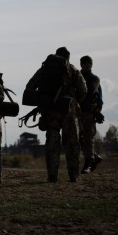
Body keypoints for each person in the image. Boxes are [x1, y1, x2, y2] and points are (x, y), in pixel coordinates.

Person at [26, 46, 86, 182]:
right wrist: (74, 101)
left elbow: (30, 86)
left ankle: (52, 176)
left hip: (50, 112)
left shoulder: (45, 69)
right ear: (68, 58)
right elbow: (83, 90)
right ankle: (74, 176)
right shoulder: (73, 70)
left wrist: (44, 100)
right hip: (69, 112)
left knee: (52, 143)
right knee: (72, 143)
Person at [78, 55, 103, 174]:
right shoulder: (76, 77)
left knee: (88, 138)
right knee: (78, 139)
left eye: (89, 65)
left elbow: (94, 94)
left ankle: (88, 163)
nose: (88, 67)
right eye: (85, 65)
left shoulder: (94, 79)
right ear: (81, 65)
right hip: (77, 112)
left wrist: (97, 111)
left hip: (89, 112)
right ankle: (94, 157)